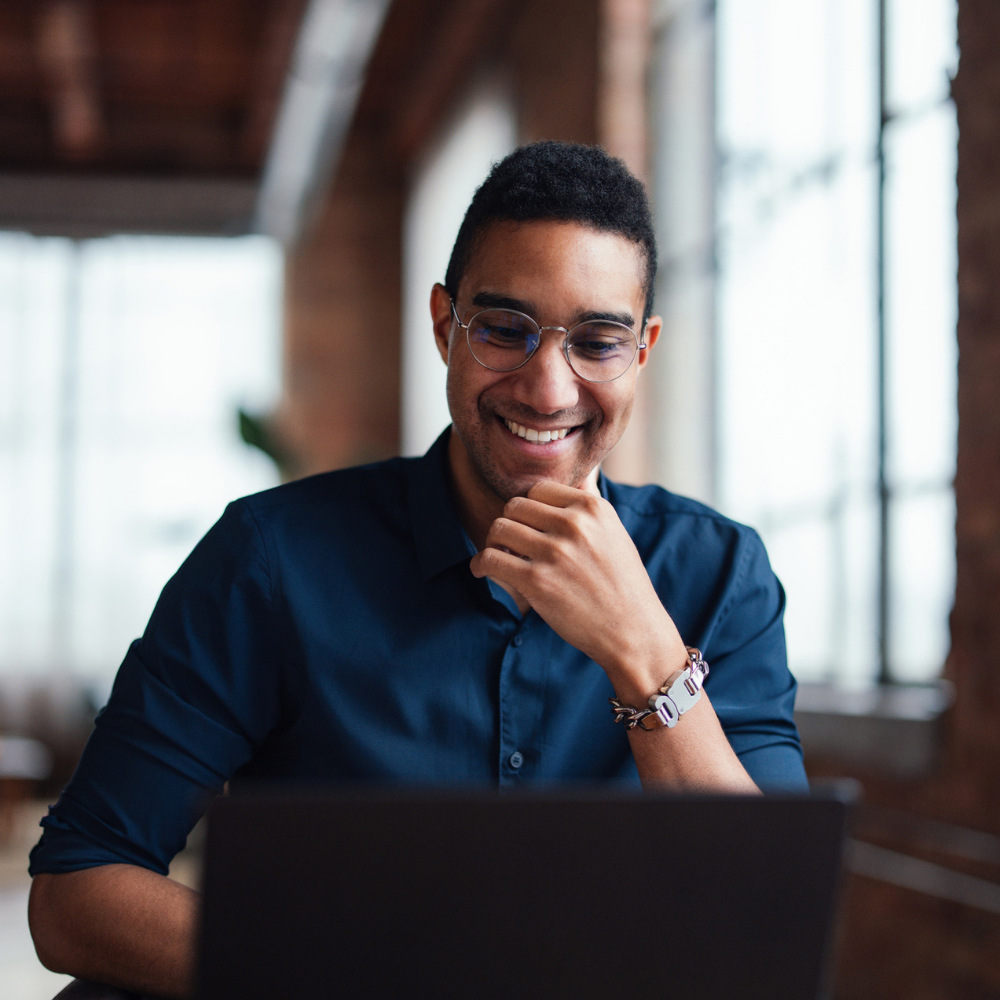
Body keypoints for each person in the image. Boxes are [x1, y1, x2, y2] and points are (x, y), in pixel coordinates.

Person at [28, 141, 807, 998]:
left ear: (643, 350)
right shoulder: (271, 558)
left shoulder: (723, 574)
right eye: (506, 331)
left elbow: (761, 937)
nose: (549, 389)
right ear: (446, 325)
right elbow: (76, 891)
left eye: (597, 341)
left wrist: (646, 652)